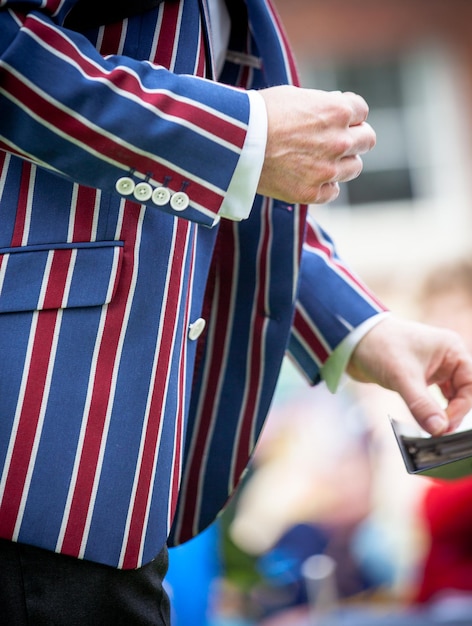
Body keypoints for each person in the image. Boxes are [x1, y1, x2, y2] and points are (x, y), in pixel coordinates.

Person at [0, 0, 471, 624]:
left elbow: (225, 205)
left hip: (128, 464)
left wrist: (362, 328)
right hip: (39, 424)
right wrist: (237, 135)